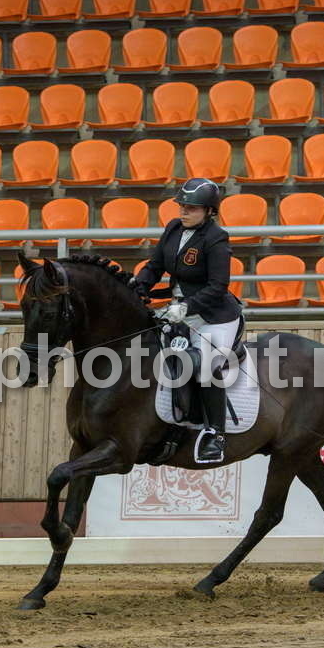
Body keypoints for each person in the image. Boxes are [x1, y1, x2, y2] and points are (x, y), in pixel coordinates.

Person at [132, 177, 243, 463]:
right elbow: (155, 266)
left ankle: (216, 434)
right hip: (178, 312)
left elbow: (218, 286)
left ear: (209, 211)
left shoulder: (216, 238)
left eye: (191, 207)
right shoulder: (173, 228)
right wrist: (139, 285)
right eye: (182, 205)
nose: (184, 210)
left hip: (214, 317)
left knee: (206, 364)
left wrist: (187, 306)